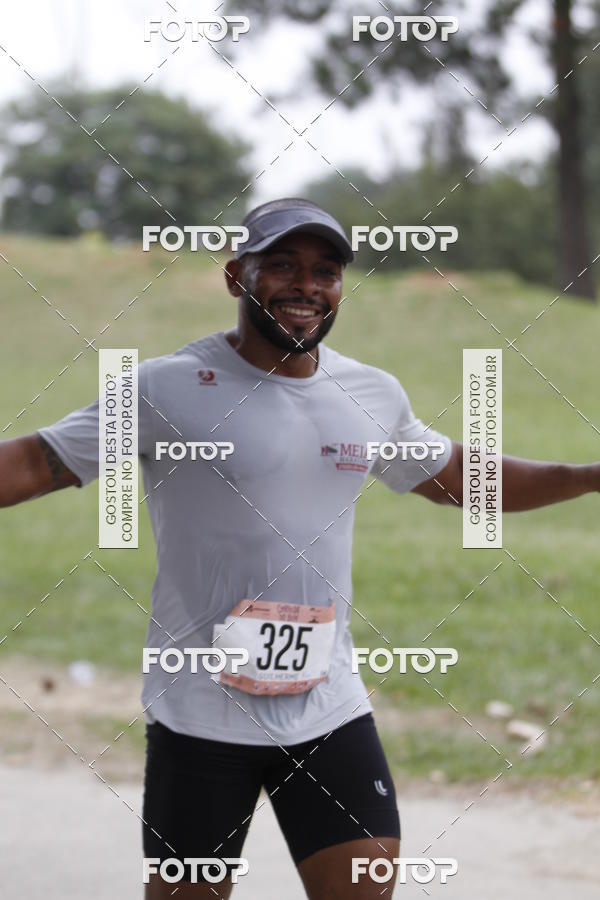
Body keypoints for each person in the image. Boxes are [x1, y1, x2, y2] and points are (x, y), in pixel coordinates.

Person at [1, 198, 599, 899]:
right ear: (236, 276)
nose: (306, 286)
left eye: (325, 271)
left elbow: (460, 478)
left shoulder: (370, 394)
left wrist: (587, 477)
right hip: (201, 712)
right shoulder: (165, 388)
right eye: (282, 265)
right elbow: (36, 463)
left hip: (327, 705)